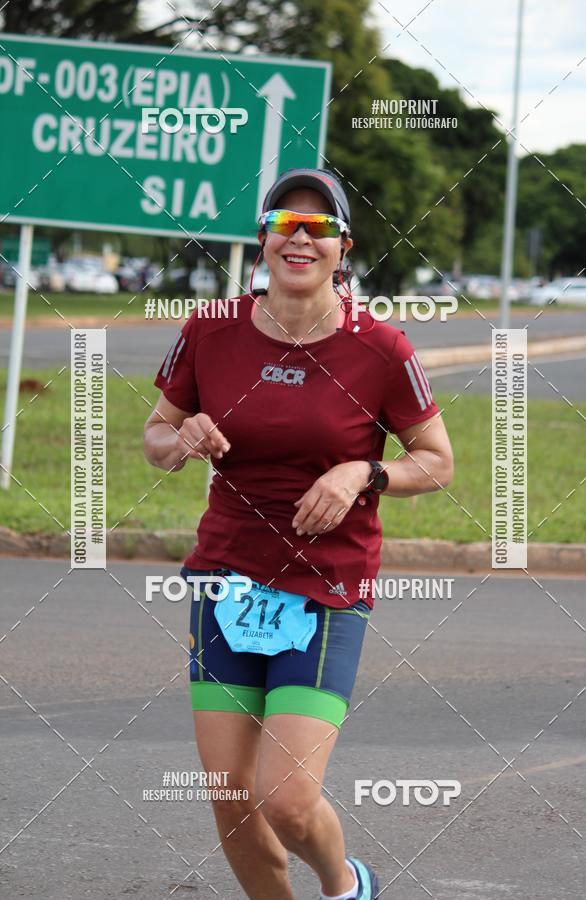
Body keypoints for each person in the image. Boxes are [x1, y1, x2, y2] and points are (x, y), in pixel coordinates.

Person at [143, 167, 454, 900]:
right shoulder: (209, 331)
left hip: (325, 588)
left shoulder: (381, 349)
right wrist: (181, 435)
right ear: (262, 239)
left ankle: (345, 885)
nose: (301, 238)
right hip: (227, 575)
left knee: (284, 798)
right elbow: (155, 437)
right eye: (286, 223)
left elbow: (438, 463)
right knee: (230, 798)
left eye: (318, 228)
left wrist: (362, 474)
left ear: (344, 247)